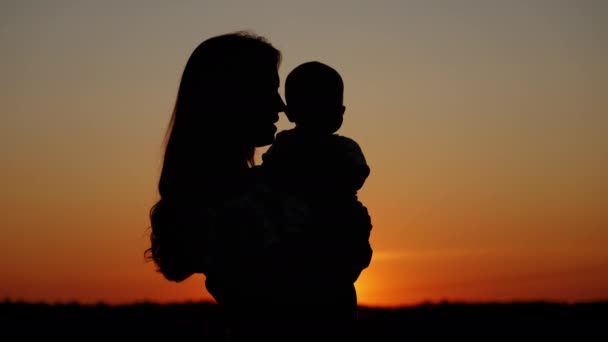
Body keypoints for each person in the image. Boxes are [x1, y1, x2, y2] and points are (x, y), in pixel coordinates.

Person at [145, 31, 373, 341]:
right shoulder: (236, 202)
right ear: (231, 98)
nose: (281, 106)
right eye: (269, 90)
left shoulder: (260, 186)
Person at [261, 61, 370, 245]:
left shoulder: (344, 147)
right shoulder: (285, 143)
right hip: (293, 219)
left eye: (332, 106)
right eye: (314, 106)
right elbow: (267, 174)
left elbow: (359, 173)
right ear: (290, 113)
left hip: (337, 213)